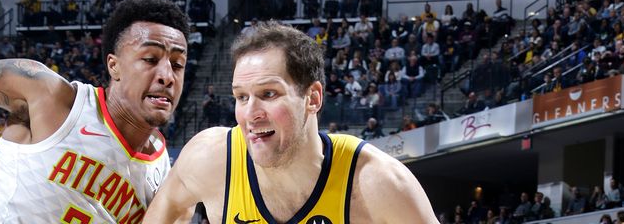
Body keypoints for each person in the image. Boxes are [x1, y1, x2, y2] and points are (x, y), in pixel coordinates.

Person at [0, 0, 190, 222]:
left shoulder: (161, 170)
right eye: (150, 59)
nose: (167, 75)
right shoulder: (52, 98)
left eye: (177, 64)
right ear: (113, 66)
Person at [143, 21, 438, 224]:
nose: (251, 113)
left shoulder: (378, 184)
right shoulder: (211, 158)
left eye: (268, 94)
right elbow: (168, 212)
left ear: (312, 98)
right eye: (241, 97)